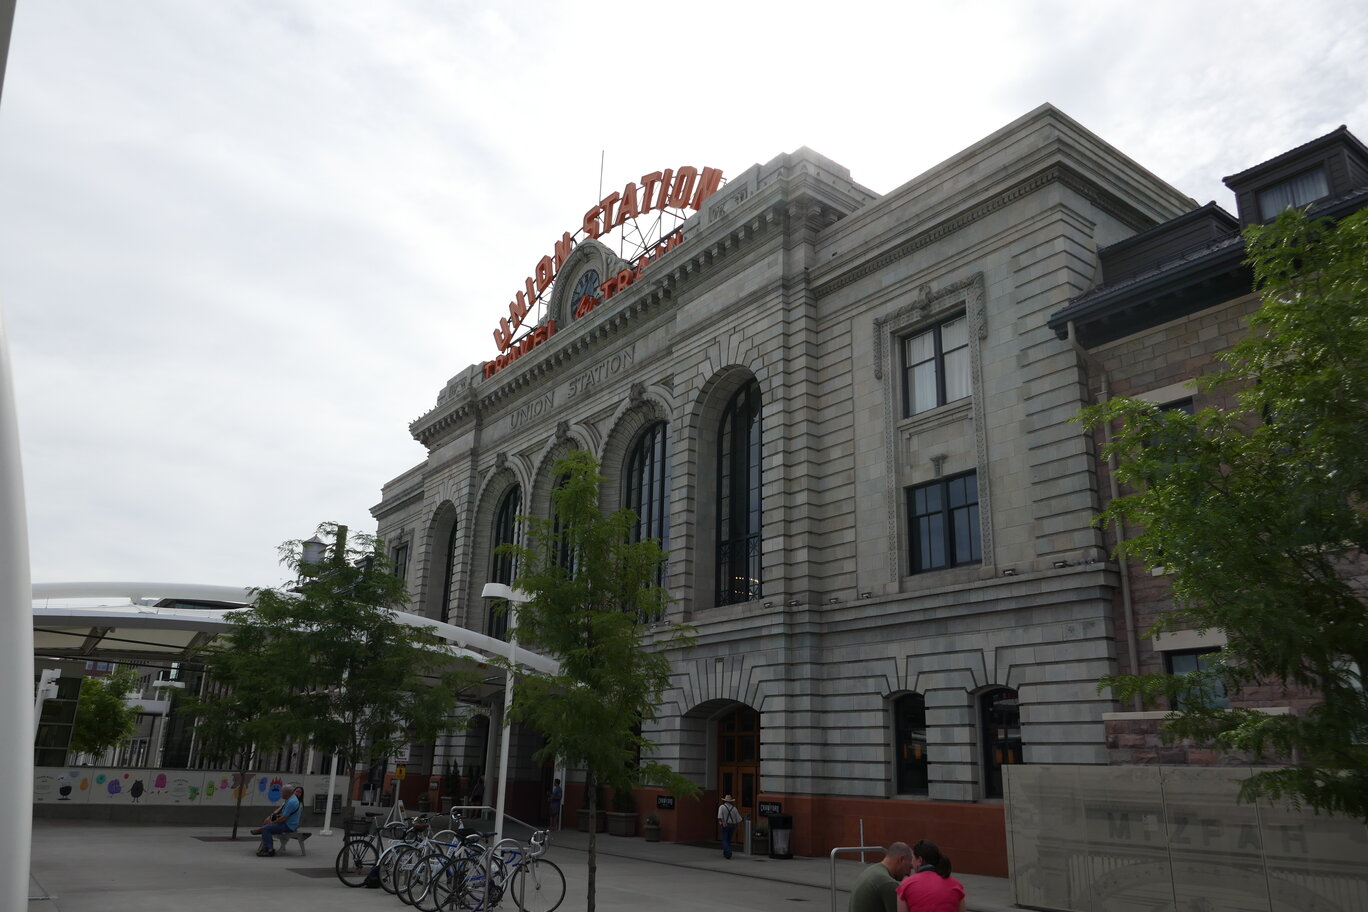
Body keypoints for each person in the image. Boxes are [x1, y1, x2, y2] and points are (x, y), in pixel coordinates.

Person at [896, 839, 965, 912]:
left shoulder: (905, 886)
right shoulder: (956, 886)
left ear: (919, 860)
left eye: (913, 858)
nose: (911, 863)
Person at [849, 842, 915, 912]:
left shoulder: (872, 870)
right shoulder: (888, 883)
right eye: (909, 868)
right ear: (901, 859)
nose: (909, 874)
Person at [252, 782, 302, 857]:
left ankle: (269, 850)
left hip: (288, 826)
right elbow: (280, 812)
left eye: (282, 792)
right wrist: (271, 819)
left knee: (266, 829)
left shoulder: (292, 802)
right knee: (266, 826)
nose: (281, 793)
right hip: (287, 823)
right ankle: (265, 845)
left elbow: (283, 818)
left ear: (287, 793)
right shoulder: (290, 799)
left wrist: (273, 823)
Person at [717, 794, 741, 859]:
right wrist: (738, 827)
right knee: (729, 840)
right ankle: (726, 853)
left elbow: (720, 816)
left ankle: (728, 852)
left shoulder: (722, 807)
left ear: (725, 800)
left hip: (725, 824)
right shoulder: (734, 808)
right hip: (732, 825)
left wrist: (722, 822)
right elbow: (738, 819)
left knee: (724, 840)